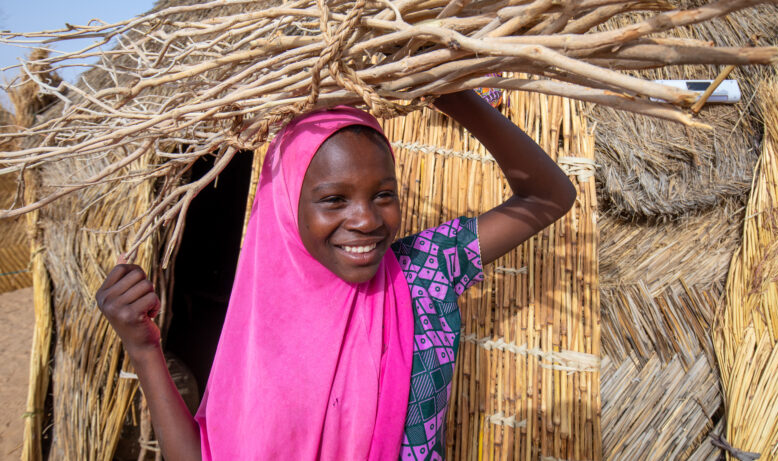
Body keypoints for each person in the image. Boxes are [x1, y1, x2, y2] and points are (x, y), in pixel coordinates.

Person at [96, 89, 576, 460]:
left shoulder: (424, 273)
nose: (366, 219)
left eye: (383, 194)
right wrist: (143, 349)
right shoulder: (259, 321)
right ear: (287, 207)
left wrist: (457, 100)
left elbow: (548, 198)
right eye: (333, 200)